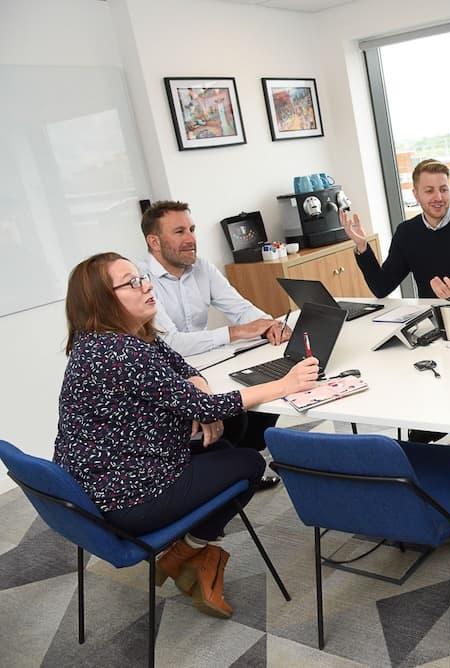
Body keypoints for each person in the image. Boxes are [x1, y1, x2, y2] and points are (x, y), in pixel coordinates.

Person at [53, 252, 319, 618]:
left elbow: (184, 368)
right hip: (129, 498)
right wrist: (283, 385)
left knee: (227, 440)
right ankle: (186, 554)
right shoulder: (119, 351)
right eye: (132, 283)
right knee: (247, 462)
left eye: (142, 277)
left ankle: (193, 551)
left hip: (105, 483)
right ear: (102, 298)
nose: (147, 286)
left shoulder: (109, 339)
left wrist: (197, 398)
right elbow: (208, 408)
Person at [140, 200, 289, 488]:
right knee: (239, 412)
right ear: (154, 242)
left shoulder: (201, 269)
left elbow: (241, 308)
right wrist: (235, 332)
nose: (191, 239)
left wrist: (269, 323)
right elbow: (172, 344)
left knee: (266, 380)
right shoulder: (141, 282)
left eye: (192, 229)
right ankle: (223, 473)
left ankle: (238, 468)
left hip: (207, 364)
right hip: (172, 377)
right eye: (180, 231)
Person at [340, 158, 450, 304]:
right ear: (416, 194)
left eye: (443, 189)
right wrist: (363, 247)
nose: (438, 197)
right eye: (429, 191)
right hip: (431, 317)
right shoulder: (406, 232)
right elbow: (381, 288)